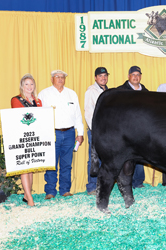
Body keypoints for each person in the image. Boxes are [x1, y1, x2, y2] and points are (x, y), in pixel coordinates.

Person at [38, 70, 84, 199]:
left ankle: (65, 190)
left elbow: (77, 115)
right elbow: (39, 115)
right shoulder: (44, 94)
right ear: (52, 79)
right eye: (57, 77)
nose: (60, 79)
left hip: (69, 133)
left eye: (62, 77)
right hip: (52, 133)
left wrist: (80, 133)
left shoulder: (72, 94)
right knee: (51, 164)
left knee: (66, 164)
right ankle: (50, 191)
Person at [11, 73, 42, 206]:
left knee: (31, 166)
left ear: (34, 86)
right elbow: (20, 117)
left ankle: (26, 195)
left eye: (31, 84)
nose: (29, 86)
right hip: (22, 137)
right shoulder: (16, 100)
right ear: (22, 86)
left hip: (34, 136)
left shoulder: (38, 101)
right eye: (26, 84)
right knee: (25, 167)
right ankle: (30, 198)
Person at [117, 66, 148, 188]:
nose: (135, 77)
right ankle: (125, 182)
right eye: (133, 74)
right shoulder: (120, 91)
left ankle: (138, 181)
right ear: (128, 76)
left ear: (140, 76)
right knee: (125, 157)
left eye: (138, 74)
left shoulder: (146, 93)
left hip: (141, 130)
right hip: (126, 130)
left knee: (140, 156)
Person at [84, 67, 109, 195]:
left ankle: (102, 185)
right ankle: (92, 187)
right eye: (100, 76)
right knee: (94, 159)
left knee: (105, 159)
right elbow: (88, 113)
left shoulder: (108, 91)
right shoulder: (91, 91)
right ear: (95, 78)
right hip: (96, 130)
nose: (103, 78)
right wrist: (95, 131)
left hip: (107, 131)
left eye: (105, 76)